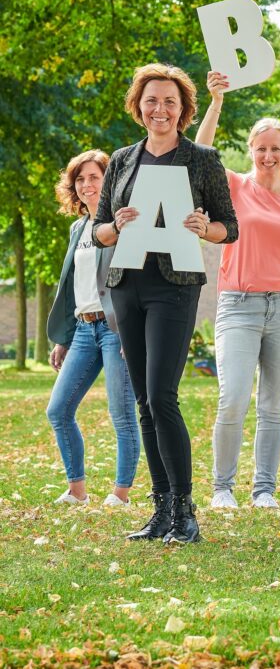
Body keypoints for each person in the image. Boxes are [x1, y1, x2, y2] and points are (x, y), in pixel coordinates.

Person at [93, 63, 238, 543]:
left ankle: (185, 510)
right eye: (152, 100)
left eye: (170, 101)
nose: (160, 109)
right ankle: (160, 512)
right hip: (126, 283)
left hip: (174, 286)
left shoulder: (202, 159)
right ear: (139, 106)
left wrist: (205, 228)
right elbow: (99, 230)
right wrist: (117, 225)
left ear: (184, 110)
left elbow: (228, 227)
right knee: (143, 403)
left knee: (162, 397)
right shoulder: (121, 160)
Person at [196, 71, 280, 511]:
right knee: (234, 397)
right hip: (238, 305)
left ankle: (264, 490)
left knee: (274, 406)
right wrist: (216, 102)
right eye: (260, 148)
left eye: (275, 148)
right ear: (251, 152)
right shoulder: (237, 187)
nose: (268, 155)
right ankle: (223, 487)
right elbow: (201, 154)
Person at [46, 150, 140, 507]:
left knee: (121, 413)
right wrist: (65, 339)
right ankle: (77, 490)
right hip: (84, 330)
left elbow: (134, 278)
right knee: (59, 409)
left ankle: (121, 494)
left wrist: (132, 330)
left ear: (109, 180)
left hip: (116, 329)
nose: (87, 184)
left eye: (94, 176)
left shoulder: (123, 223)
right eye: (80, 179)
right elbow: (73, 285)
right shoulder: (77, 228)